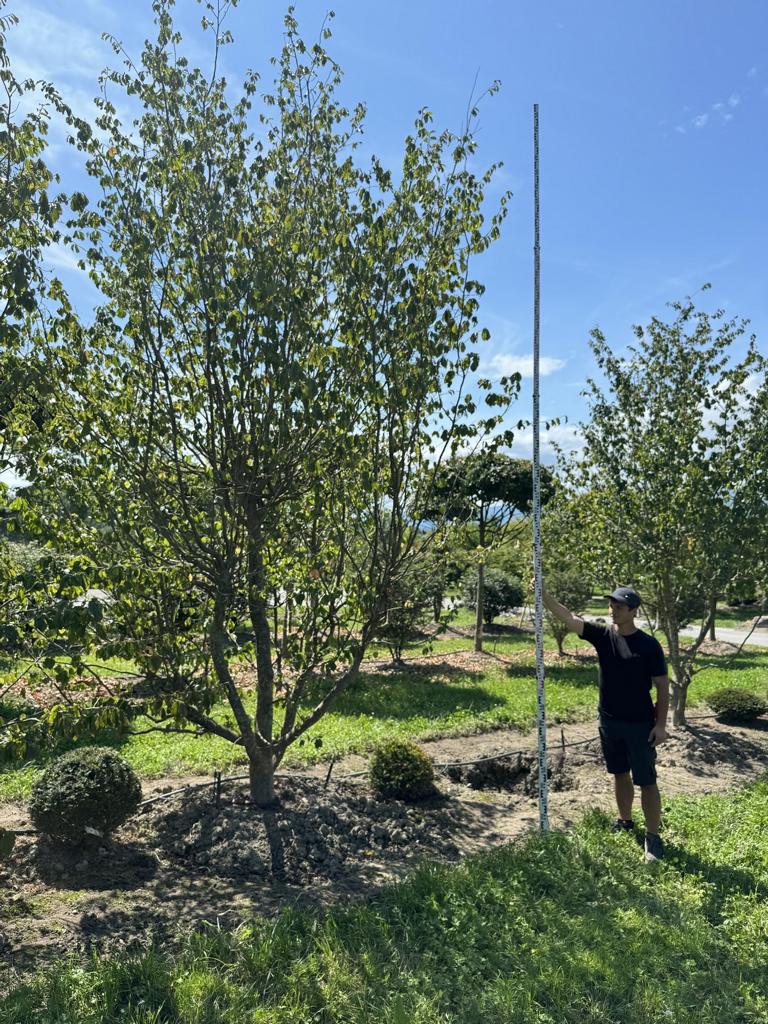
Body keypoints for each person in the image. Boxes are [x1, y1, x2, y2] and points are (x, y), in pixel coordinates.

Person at [541, 583, 670, 862]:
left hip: (640, 724)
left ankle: (653, 837)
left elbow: (662, 686)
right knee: (619, 773)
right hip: (609, 721)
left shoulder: (649, 645)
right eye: (611, 605)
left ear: (633, 611)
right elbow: (570, 619)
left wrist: (660, 726)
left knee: (646, 781)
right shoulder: (603, 636)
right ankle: (625, 820)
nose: (613, 610)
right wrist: (544, 595)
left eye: (620, 606)